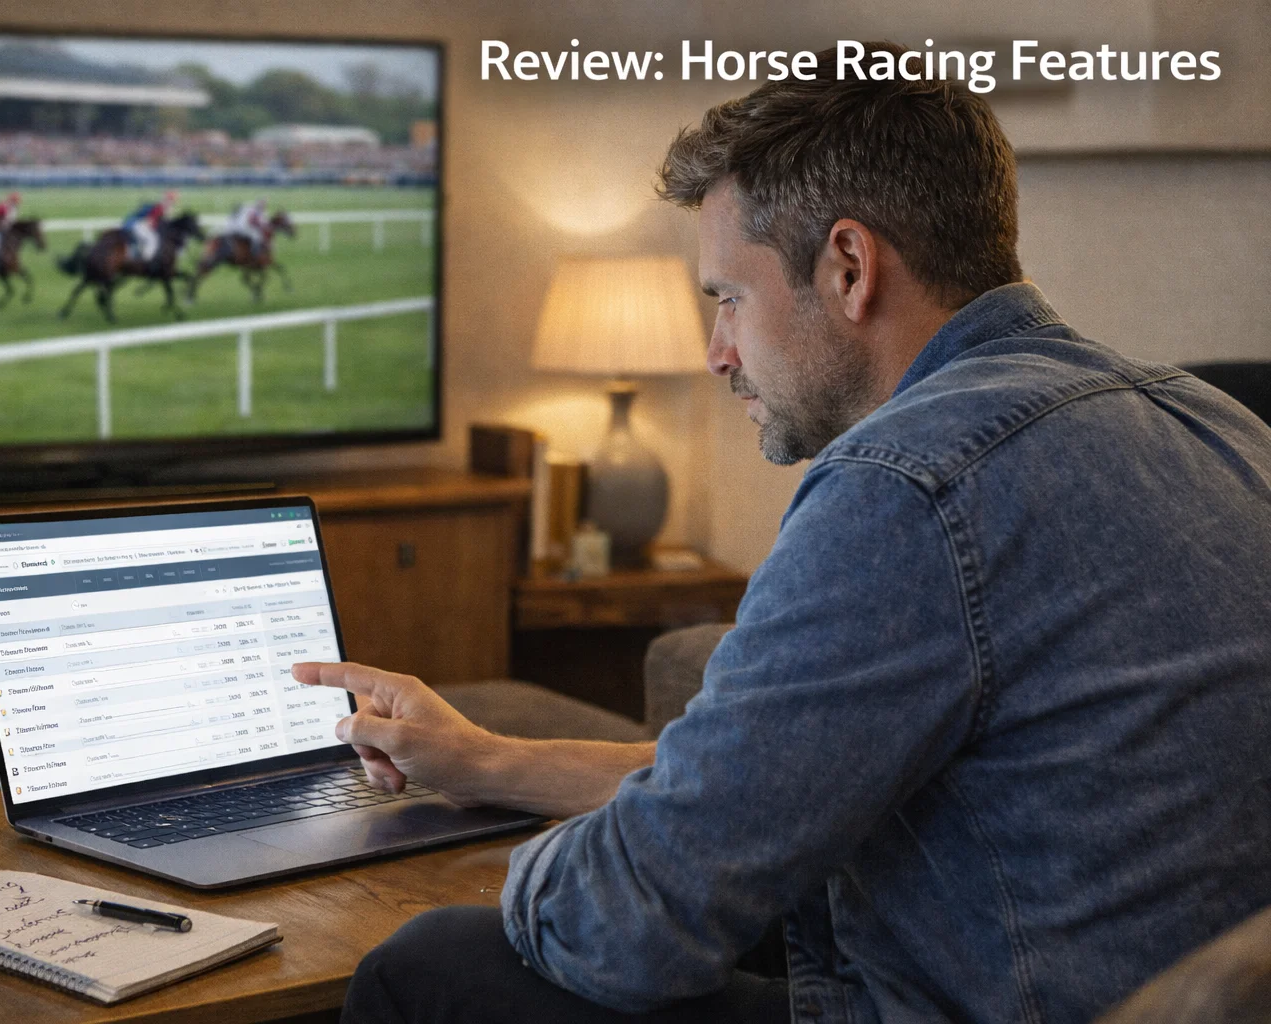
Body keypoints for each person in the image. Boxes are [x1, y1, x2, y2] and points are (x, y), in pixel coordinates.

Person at [290, 41, 1271, 1024]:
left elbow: (625, 921)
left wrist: (504, 870)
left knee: (426, 964)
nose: (717, 354)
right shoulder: (1216, 422)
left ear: (848, 266)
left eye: (728, 297)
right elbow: (764, 777)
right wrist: (483, 763)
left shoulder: (904, 488)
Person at [122, 190, 177, 265]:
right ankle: (145, 262)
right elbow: (150, 221)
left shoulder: (163, 207)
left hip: (140, 226)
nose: (172, 203)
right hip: (141, 227)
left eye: (172, 201)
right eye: (171, 200)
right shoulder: (161, 207)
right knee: (153, 240)